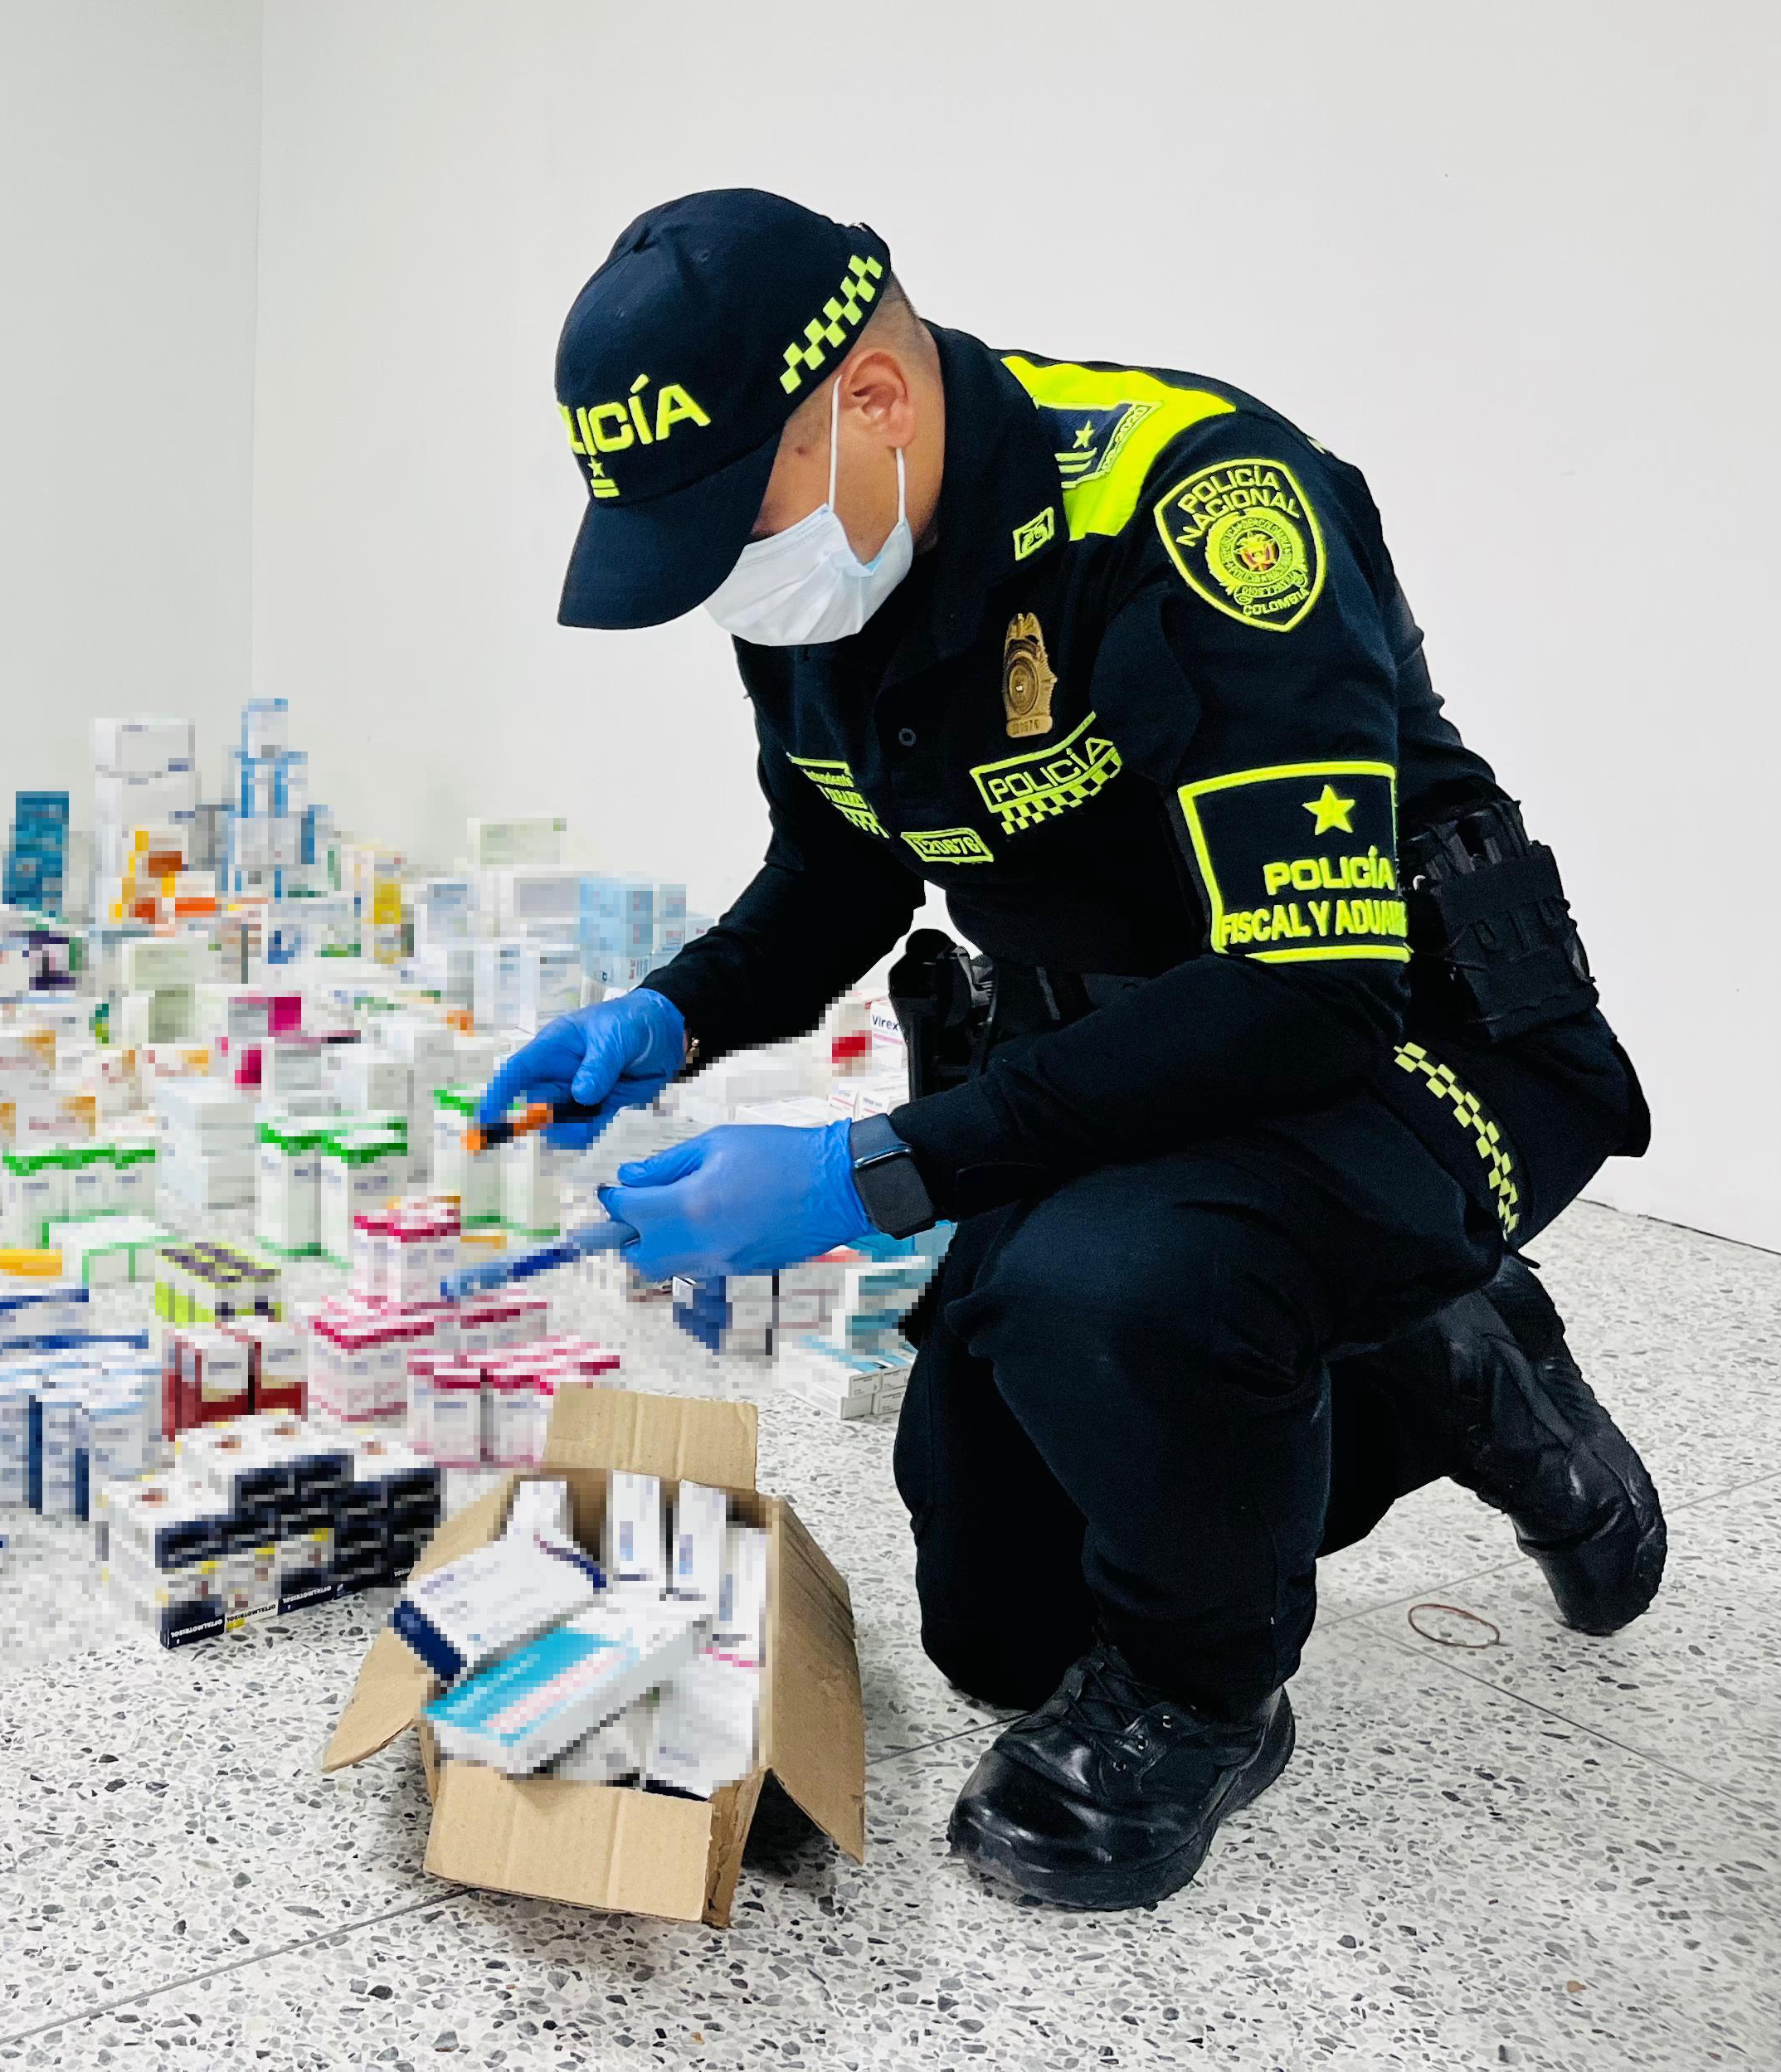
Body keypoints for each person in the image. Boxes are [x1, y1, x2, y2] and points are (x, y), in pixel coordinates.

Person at [480, 190, 1662, 1911]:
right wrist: (675, 1011)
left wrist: (870, 1169)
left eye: (735, 521)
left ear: (874, 406)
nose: (727, 581)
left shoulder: (1201, 502)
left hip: (1403, 1044)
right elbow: (843, 865)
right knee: (999, 1624)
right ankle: (1428, 1357)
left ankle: (1208, 1699)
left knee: (1115, 1300)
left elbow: (1309, 985)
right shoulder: (817, 588)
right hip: (1131, 1070)